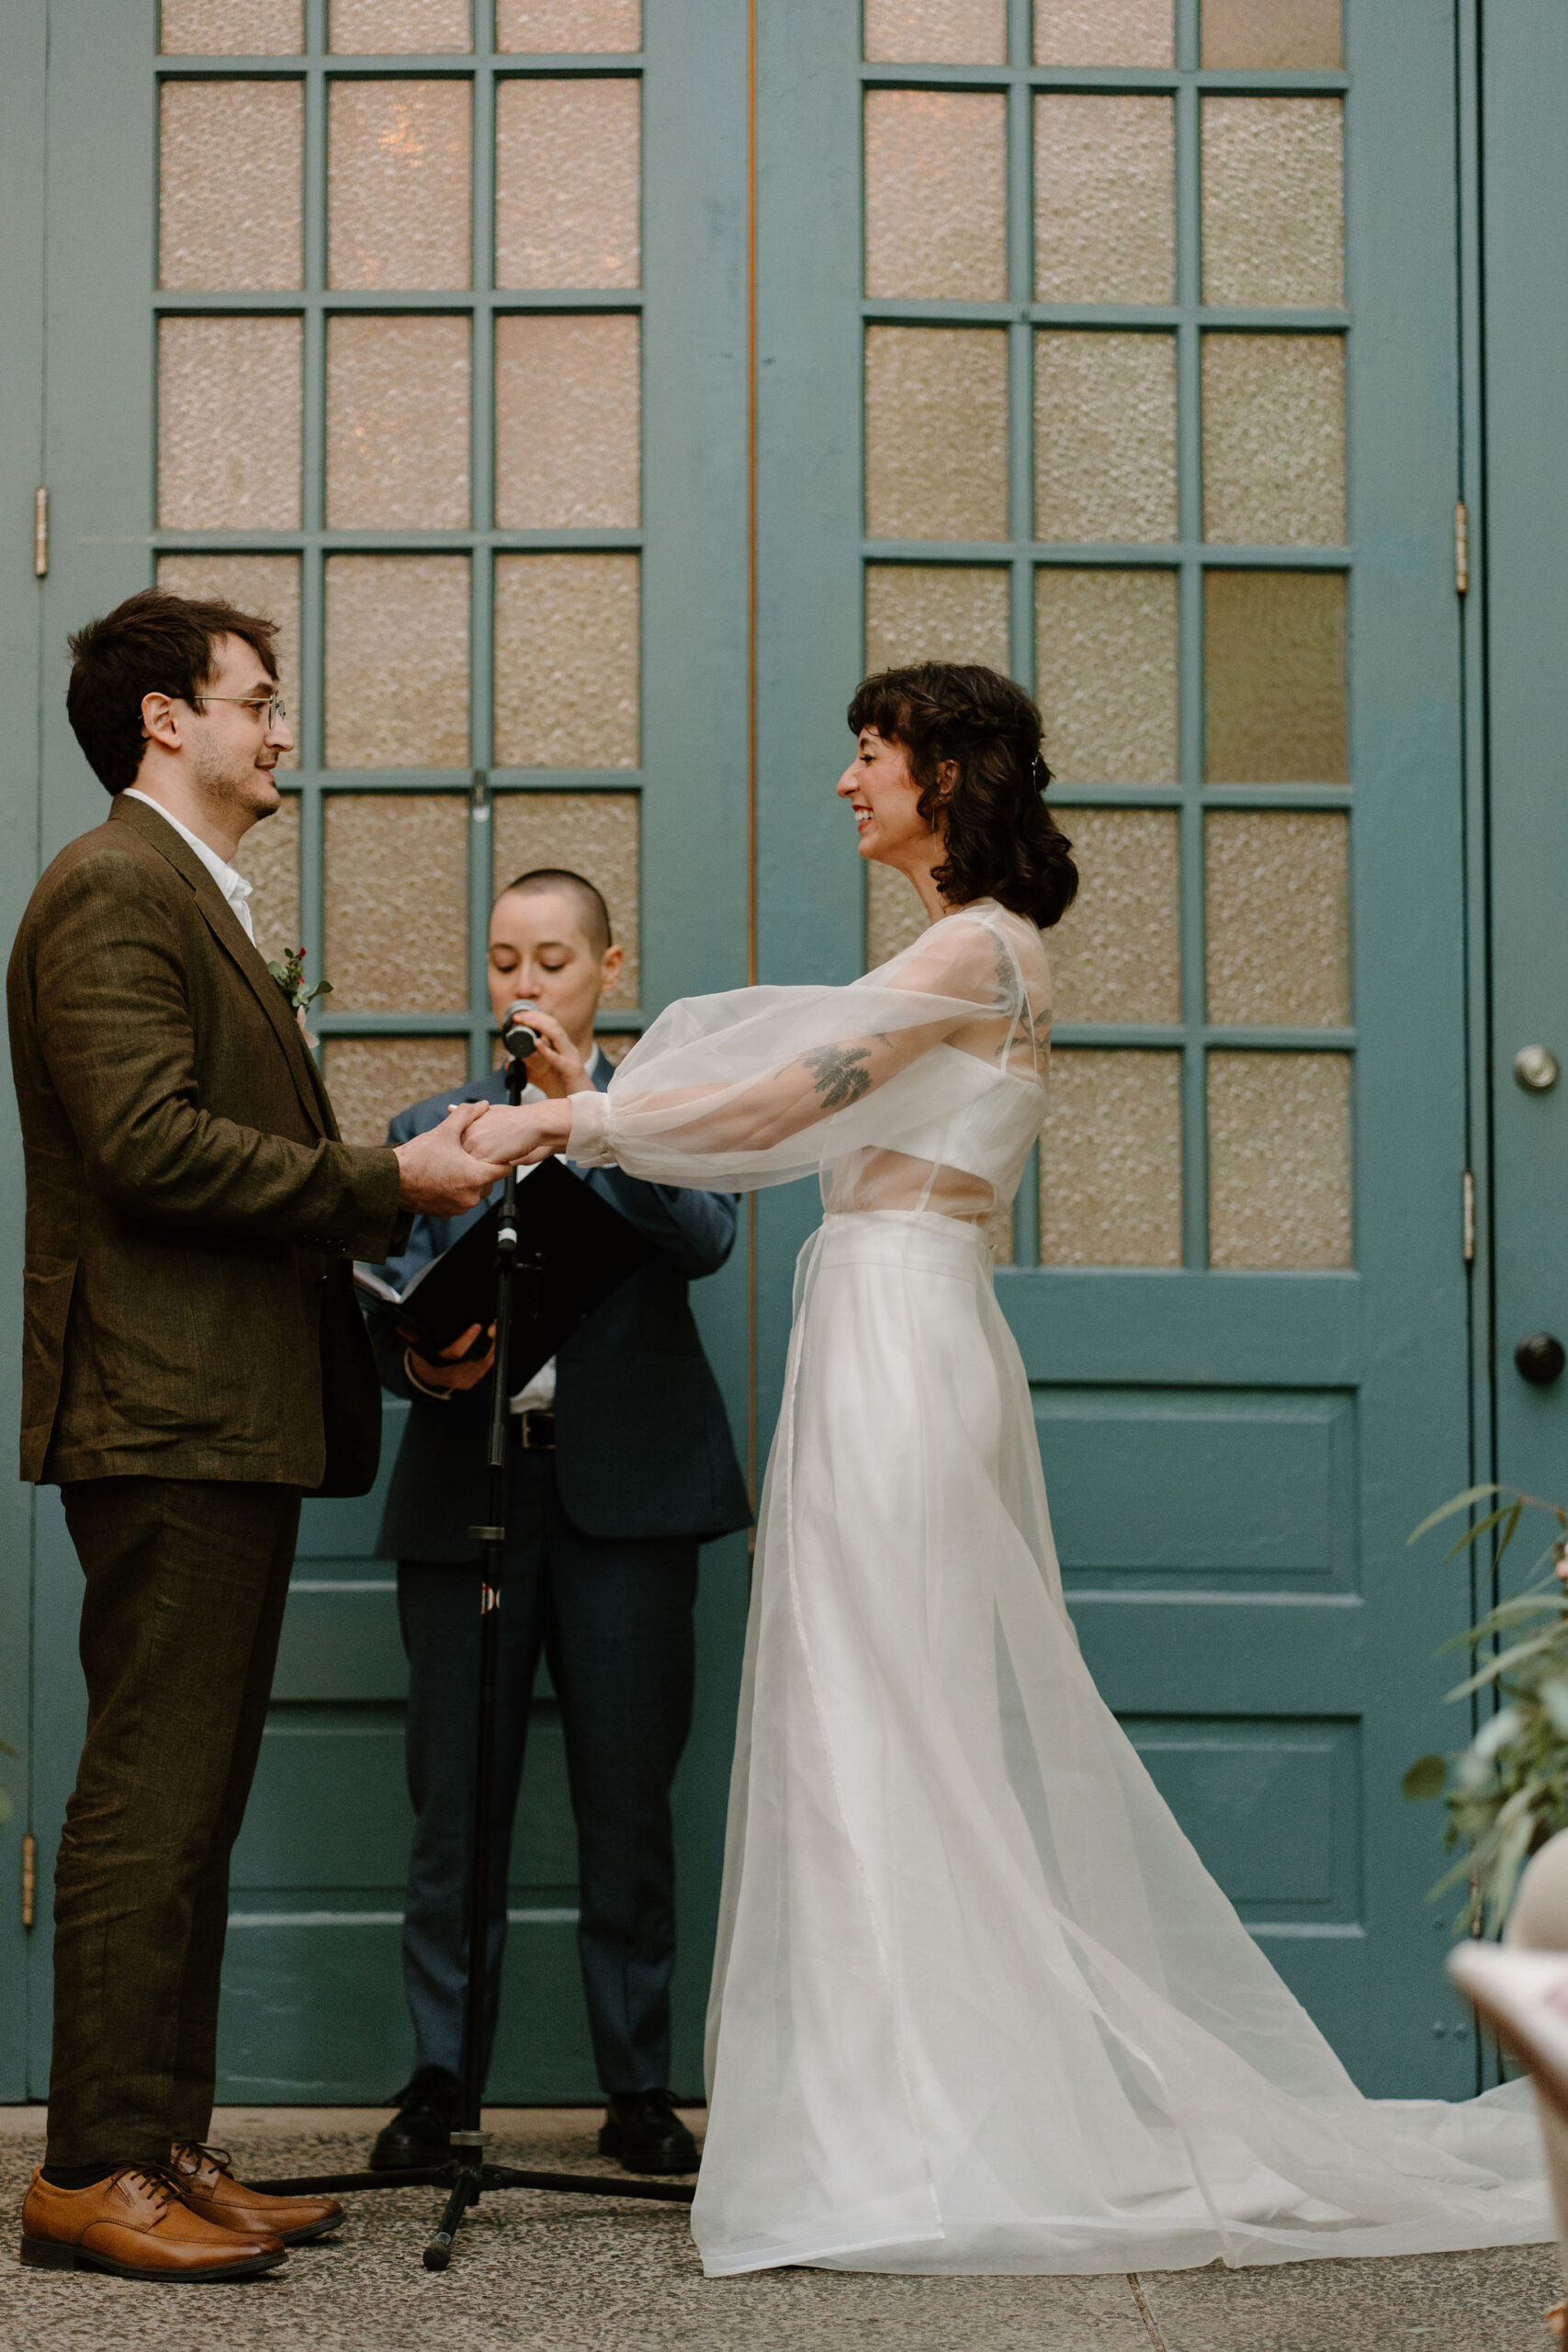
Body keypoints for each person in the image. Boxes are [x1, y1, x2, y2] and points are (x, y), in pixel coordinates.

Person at [461, 661, 1551, 2276]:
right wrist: (604, 1115)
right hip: (910, 1316)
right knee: (889, 1699)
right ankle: (898, 2099)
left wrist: (583, 1127)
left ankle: (911, 2122)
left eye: (871, 754)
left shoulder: (974, 946)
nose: (849, 781)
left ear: (946, 778)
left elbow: (781, 1094)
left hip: (900, 1326)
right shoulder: (983, 947)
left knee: (875, 1697)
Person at [8, 589, 505, 2283]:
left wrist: (396, 1328)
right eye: (256, 699)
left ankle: (158, 2144)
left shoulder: (189, 897)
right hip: (162, 1414)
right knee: (152, 1793)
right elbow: (149, 1149)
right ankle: (86, 2174)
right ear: (166, 721)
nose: (279, 729)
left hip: (228, 1407)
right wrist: (396, 1178)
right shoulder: (109, 890)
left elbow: (225, 1182)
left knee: (196, 1796)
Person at [361, 868, 750, 2178]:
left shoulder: (665, 1112)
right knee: (450, 1808)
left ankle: (639, 2086)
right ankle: (438, 2082)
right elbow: (384, 1304)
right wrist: (421, 1360)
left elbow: (704, 1238)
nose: (526, 986)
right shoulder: (436, 1123)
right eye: (505, 963)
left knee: (628, 1805)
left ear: (605, 966)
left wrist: (593, 1119)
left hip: (628, 1499)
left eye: (552, 963)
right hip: (470, 1491)